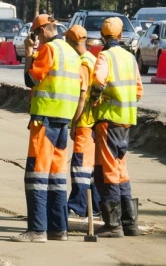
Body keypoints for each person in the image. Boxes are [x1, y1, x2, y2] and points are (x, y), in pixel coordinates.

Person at [10, 14, 81, 243]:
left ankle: (37, 230)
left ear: (41, 32)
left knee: (37, 175)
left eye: (36, 35)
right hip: (63, 119)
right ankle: (58, 229)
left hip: (46, 119)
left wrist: (29, 53)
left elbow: (31, 79)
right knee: (56, 177)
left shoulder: (49, 50)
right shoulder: (70, 51)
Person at [90, 17, 144, 238]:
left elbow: (99, 82)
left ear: (103, 36)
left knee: (109, 171)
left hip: (108, 121)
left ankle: (112, 225)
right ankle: (129, 223)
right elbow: (139, 91)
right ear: (121, 36)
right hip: (126, 121)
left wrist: (95, 100)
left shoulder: (104, 56)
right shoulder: (130, 58)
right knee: (121, 171)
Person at [64, 24, 101, 219]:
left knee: (80, 167)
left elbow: (82, 96)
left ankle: (78, 206)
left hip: (85, 123)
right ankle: (93, 206)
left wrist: (74, 124)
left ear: (71, 42)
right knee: (90, 168)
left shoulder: (84, 64)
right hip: (93, 123)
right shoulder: (92, 59)